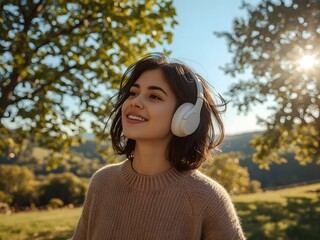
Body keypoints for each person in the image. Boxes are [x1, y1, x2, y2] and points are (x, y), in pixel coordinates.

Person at [72, 53, 246, 240]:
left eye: (154, 96)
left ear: (185, 116)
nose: (135, 102)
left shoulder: (208, 199)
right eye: (133, 93)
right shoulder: (102, 183)